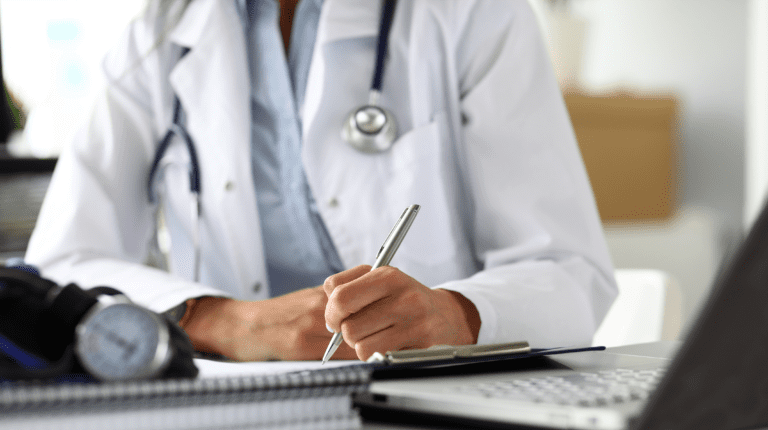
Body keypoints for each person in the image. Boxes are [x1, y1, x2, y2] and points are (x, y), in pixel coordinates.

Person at [25, 0, 618, 362]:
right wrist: (226, 321)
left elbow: (568, 269)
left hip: (432, 405)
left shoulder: (473, 13)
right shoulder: (159, 33)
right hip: (239, 409)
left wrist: (456, 315)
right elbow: (62, 263)